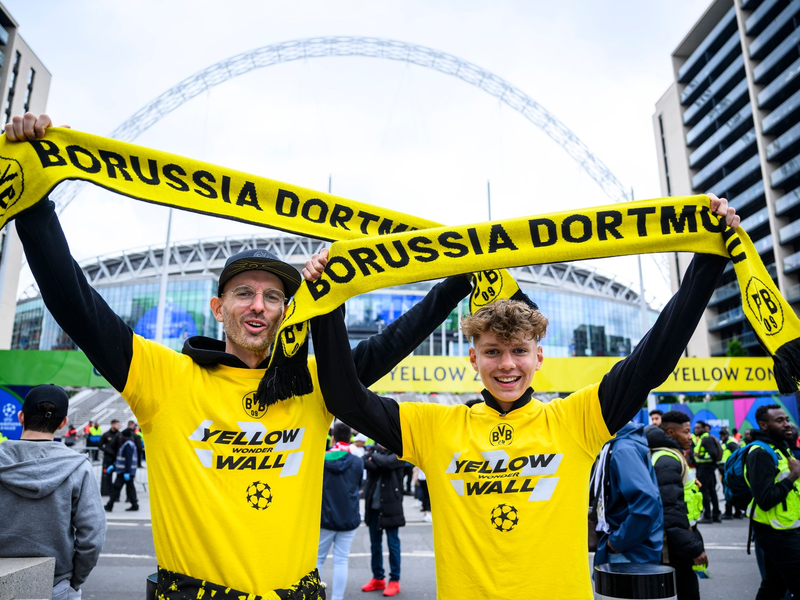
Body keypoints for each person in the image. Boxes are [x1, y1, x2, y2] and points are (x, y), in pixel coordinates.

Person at [7, 112, 475, 598]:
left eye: (273, 297)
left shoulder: (313, 383)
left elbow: (391, 343)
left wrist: (455, 282)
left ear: (287, 311)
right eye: (244, 293)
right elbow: (74, 304)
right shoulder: (165, 376)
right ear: (218, 307)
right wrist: (35, 201)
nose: (258, 305)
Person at [307, 192, 740, 599]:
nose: (507, 365)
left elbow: (656, 355)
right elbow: (345, 398)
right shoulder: (435, 427)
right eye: (493, 352)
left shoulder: (574, 420)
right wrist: (328, 306)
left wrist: (707, 261)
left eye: (519, 351)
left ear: (539, 357)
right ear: (473, 360)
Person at [0, 385, 106, 599]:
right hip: (56, 585)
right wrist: (74, 581)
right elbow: (92, 537)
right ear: (63, 423)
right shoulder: (78, 467)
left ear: (21, 417)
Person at [647, 410, 706, 600]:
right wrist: (693, 548)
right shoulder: (667, 459)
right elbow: (670, 510)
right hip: (673, 546)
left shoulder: (668, 455)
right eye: (687, 432)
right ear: (671, 433)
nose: (691, 437)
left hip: (674, 541)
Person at [591, 421, 663, 568]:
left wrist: (617, 542)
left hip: (629, 554)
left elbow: (646, 501)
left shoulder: (622, 448)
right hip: (628, 550)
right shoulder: (616, 445)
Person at [747, 404, 800, 599]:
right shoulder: (760, 452)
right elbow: (765, 499)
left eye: (786, 419)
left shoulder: (780, 448)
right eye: (779, 421)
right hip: (776, 533)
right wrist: (792, 476)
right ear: (763, 425)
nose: (787, 424)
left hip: (785, 527)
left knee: (774, 586)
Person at [317, 422, 363, 600]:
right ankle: (337, 598)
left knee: (318, 560)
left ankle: (314, 595)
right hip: (348, 516)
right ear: (350, 438)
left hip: (325, 516)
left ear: (333, 437)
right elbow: (359, 485)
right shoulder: (357, 461)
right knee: (341, 560)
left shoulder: (322, 459)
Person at [362, 443, 405, 596]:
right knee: (375, 544)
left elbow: (387, 463)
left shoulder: (400, 452)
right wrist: (377, 460)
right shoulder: (376, 452)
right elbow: (365, 462)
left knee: (393, 544)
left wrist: (373, 456)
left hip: (391, 506)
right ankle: (378, 578)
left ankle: (395, 580)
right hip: (373, 507)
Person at [691, 421, 721, 524]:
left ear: (704, 428)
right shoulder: (703, 438)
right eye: (695, 428)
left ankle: (708, 515)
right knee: (712, 491)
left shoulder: (706, 439)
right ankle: (716, 515)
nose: (695, 430)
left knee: (704, 491)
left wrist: (700, 456)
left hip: (705, 468)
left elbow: (713, 453)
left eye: (698, 428)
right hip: (707, 468)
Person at [105, 428, 139, 512]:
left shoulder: (128, 445)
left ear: (125, 436)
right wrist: (114, 466)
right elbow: (123, 458)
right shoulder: (129, 443)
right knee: (130, 488)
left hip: (124, 472)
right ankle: (135, 505)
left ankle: (109, 505)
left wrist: (127, 472)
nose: (120, 437)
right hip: (126, 471)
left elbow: (128, 460)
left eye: (122, 435)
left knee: (116, 488)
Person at [718, 427, 743, 520]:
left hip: (728, 470)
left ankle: (730, 512)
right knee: (729, 490)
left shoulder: (730, 443)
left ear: (727, 435)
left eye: (723, 435)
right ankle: (737, 512)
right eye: (721, 435)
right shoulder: (724, 443)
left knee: (728, 490)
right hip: (725, 469)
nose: (722, 436)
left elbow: (737, 455)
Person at [98, 419, 120, 495]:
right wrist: (107, 450)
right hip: (108, 458)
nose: (118, 426)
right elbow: (100, 445)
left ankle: (116, 492)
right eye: (117, 425)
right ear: (112, 424)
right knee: (107, 475)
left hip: (117, 458)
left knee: (119, 476)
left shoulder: (119, 434)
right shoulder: (106, 434)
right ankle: (107, 491)